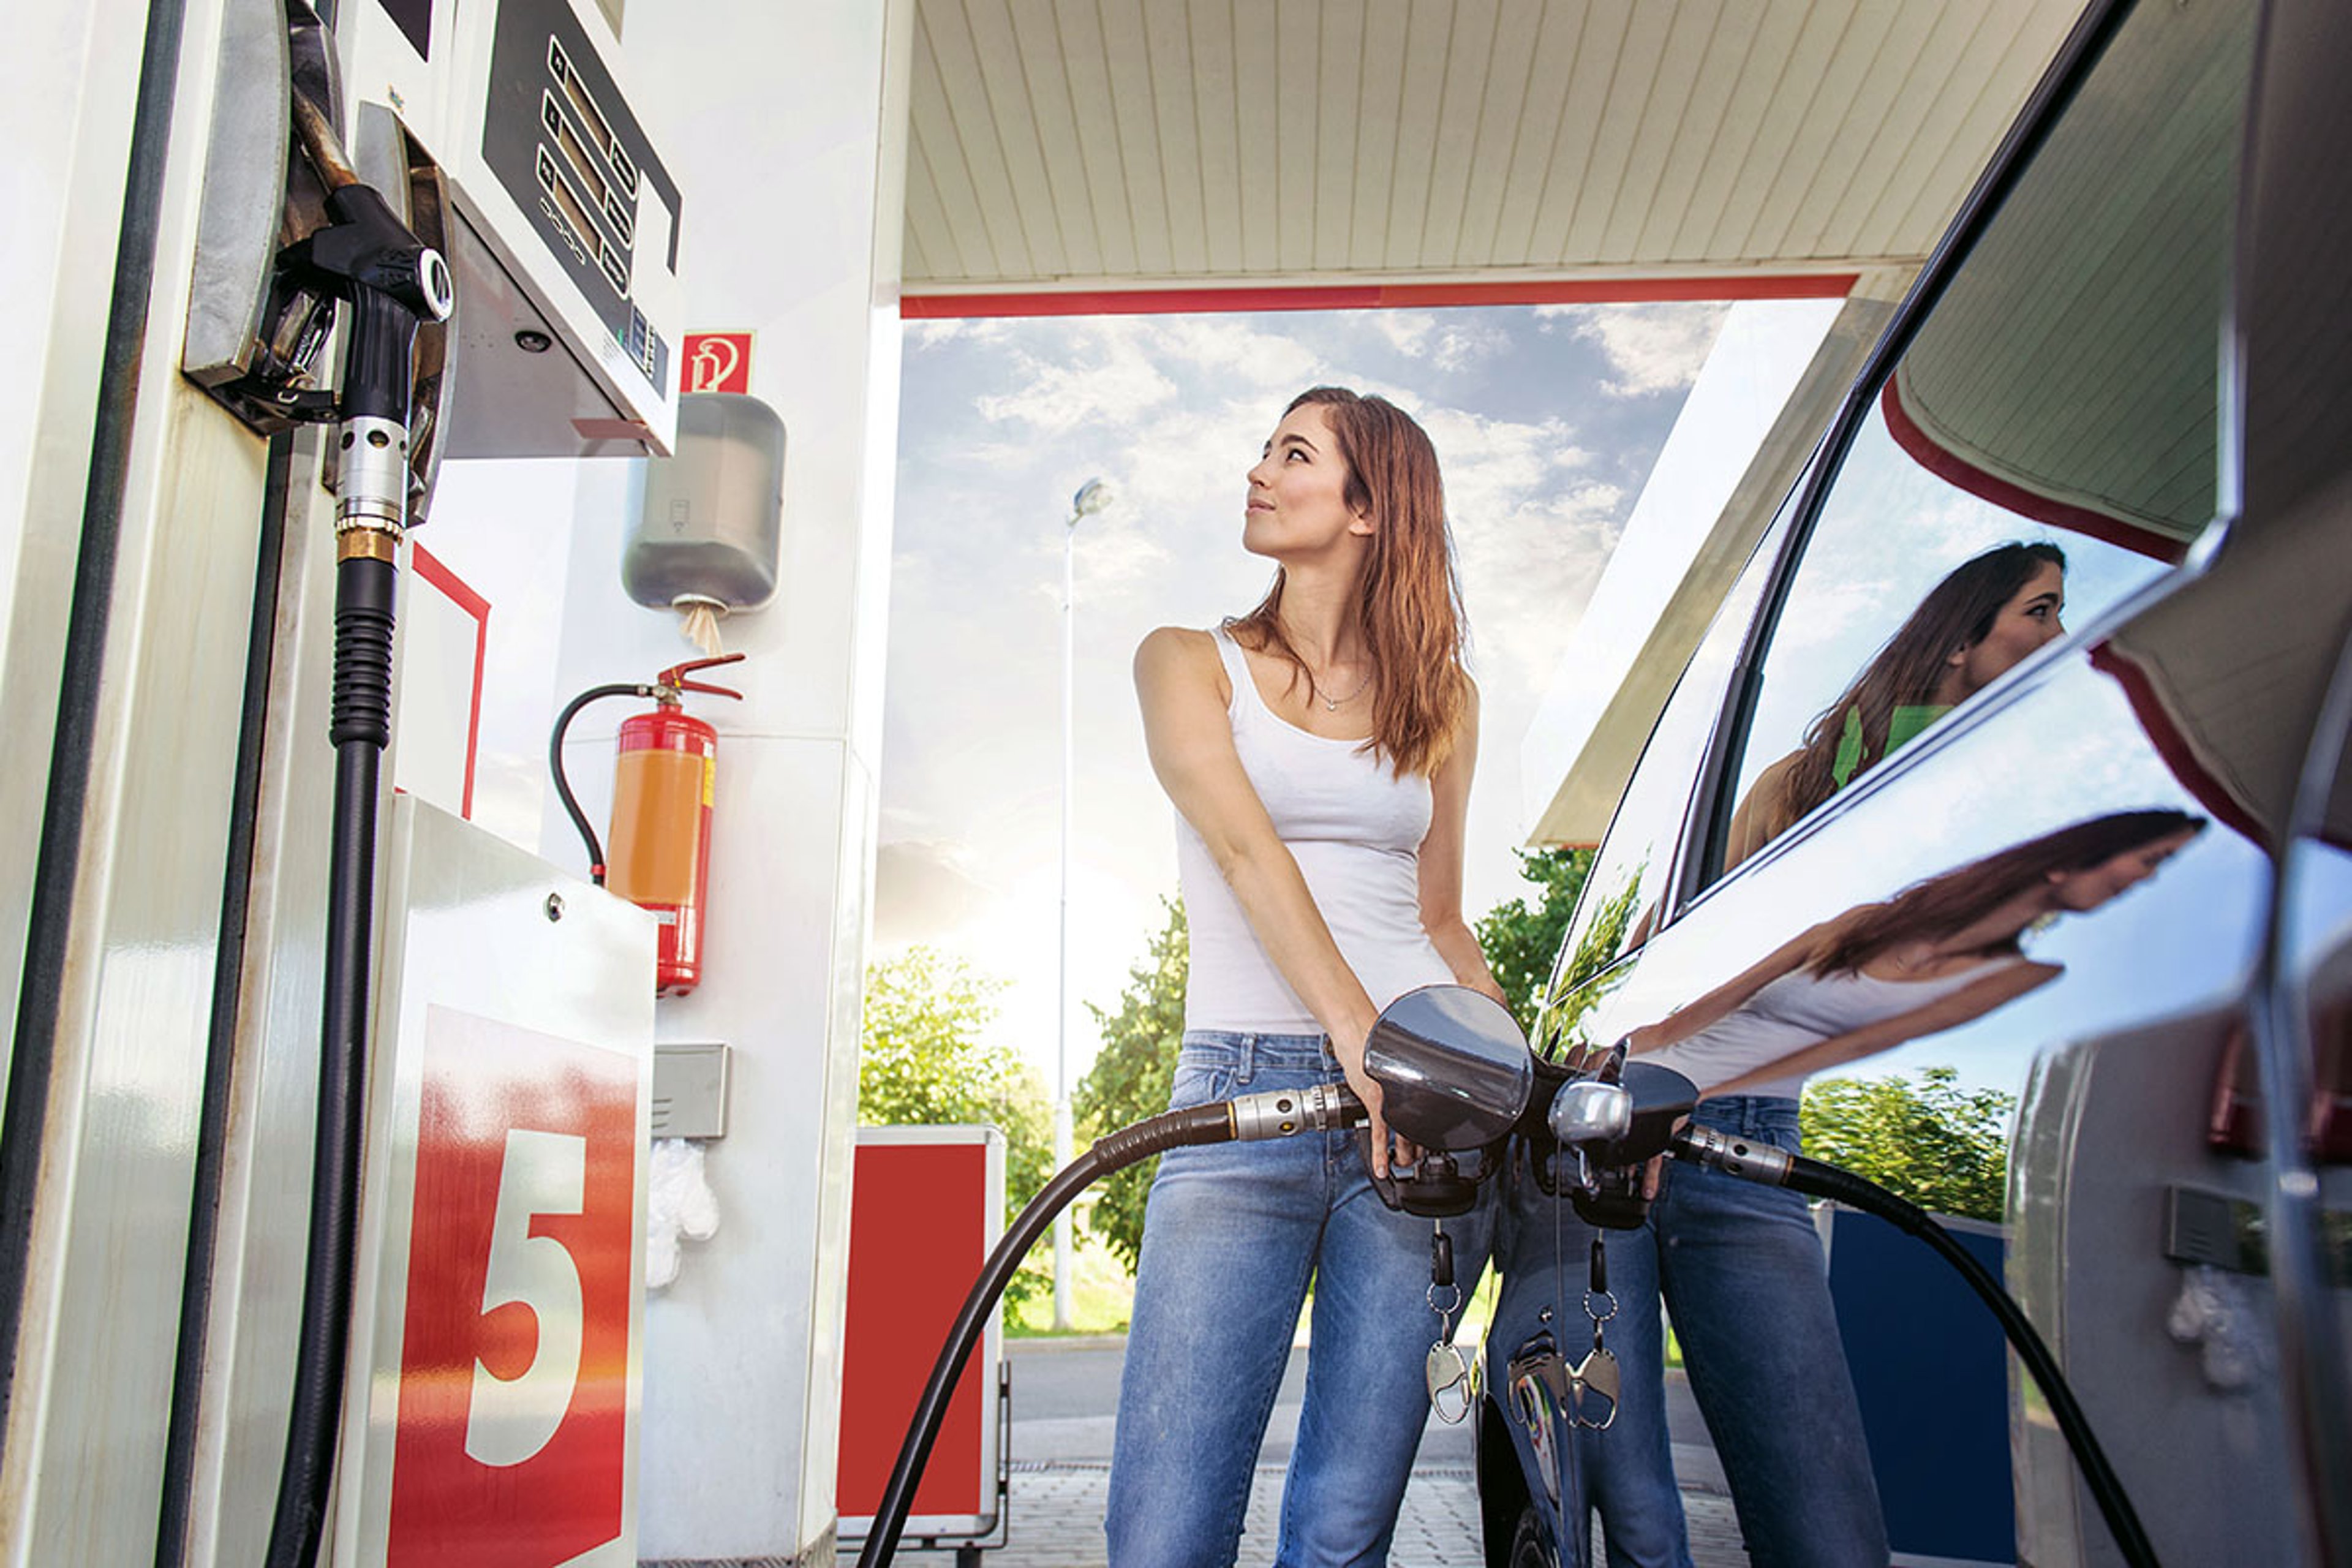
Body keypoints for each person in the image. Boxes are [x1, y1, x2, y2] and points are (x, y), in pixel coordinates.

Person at [1575, 809, 2205, 1568]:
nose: (2147, 881)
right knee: (1633, 1505)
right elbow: (1703, 1011)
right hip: (1625, 1128)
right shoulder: (1863, 922)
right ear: (2074, 858)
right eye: (2150, 861)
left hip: (1749, 1154)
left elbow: (1864, 1043)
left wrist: (1677, 1113)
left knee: (1827, 1534)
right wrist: (1625, 1069)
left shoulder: (2021, 975)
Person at [1107, 386, 1507, 1567]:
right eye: (1265, 451)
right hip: (1242, 1104)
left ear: (1372, 508)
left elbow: (1440, 919)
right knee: (1167, 1534)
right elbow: (1245, 849)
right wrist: (1358, 1040)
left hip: (1423, 1117)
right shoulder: (1188, 663)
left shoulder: (1445, 700)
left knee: (1343, 1532)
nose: (1257, 472)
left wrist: (1508, 1073)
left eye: (1293, 454)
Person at [1724, 542, 2068, 871]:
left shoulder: (2031, 773)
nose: (2061, 636)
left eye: (2058, 614)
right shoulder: (1790, 786)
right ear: (1960, 643)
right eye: (2039, 612)